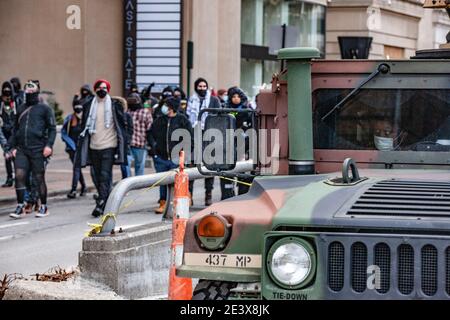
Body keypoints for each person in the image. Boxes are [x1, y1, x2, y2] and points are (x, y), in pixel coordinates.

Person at [78, 79, 128, 217]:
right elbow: (83, 125)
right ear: (95, 89)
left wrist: (123, 142)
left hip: (109, 145)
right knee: (96, 175)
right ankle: (104, 199)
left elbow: (123, 124)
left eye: (105, 87)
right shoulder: (89, 105)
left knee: (105, 175)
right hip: (94, 146)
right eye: (100, 87)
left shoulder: (113, 105)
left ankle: (101, 203)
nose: (102, 90)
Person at [9, 80, 56, 219]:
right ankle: (20, 206)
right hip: (22, 148)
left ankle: (43, 206)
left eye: (32, 91)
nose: (29, 93)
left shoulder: (45, 109)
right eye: (27, 91)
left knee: (38, 178)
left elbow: (52, 129)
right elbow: (15, 129)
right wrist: (12, 147)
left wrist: (49, 145)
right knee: (19, 176)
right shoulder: (21, 108)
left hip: (38, 148)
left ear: (37, 92)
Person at [147, 97, 193, 214]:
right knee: (162, 182)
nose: (164, 107)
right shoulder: (159, 120)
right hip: (161, 157)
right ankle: (163, 203)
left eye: (166, 105)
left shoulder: (182, 120)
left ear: (172, 107)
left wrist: (185, 153)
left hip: (176, 157)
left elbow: (189, 137)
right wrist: (153, 148)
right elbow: (150, 134)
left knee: (177, 181)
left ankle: (181, 201)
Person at [187, 78, 221, 206]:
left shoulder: (214, 100)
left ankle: (208, 195)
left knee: (209, 167)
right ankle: (189, 196)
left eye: (204, 86)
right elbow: (187, 118)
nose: (202, 88)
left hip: (209, 137)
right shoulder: (191, 100)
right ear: (196, 87)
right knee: (191, 167)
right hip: (194, 136)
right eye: (200, 86)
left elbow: (218, 117)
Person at [61, 101, 87, 198]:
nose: (78, 108)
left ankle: (74, 189)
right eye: (76, 106)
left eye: (80, 106)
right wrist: (72, 145)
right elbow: (64, 134)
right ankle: (83, 187)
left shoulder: (85, 119)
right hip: (72, 148)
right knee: (77, 168)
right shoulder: (70, 118)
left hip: (81, 148)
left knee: (76, 168)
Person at [127, 93, 152, 176]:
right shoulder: (127, 112)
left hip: (140, 144)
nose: (132, 103)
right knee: (126, 165)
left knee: (139, 166)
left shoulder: (145, 112)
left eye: (134, 101)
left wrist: (150, 144)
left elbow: (149, 128)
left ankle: (138, 185)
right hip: (128, 144)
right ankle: (127, 183)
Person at [0, 81, 19, 187]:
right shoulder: (1, 102)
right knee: (7, 156)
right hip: (4, 132)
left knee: (15, 156)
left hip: (14, 132)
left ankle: (18, 177)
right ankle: (9, 178)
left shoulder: (16, 101)